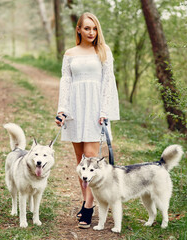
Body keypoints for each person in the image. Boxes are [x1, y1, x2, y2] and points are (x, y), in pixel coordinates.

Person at [55, 12, 120, 229]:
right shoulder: (70, 53)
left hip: (94, 110)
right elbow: (65, 81)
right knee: (80, 162)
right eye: (87, 28)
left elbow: (107, 83)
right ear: (79, 30)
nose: (91, 32)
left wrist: (104, 111)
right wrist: (62, 110)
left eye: (94, 28)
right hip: (75, 109)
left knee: (92, 158)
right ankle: (85, 201)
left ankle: (89, 208)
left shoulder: (103, 51)